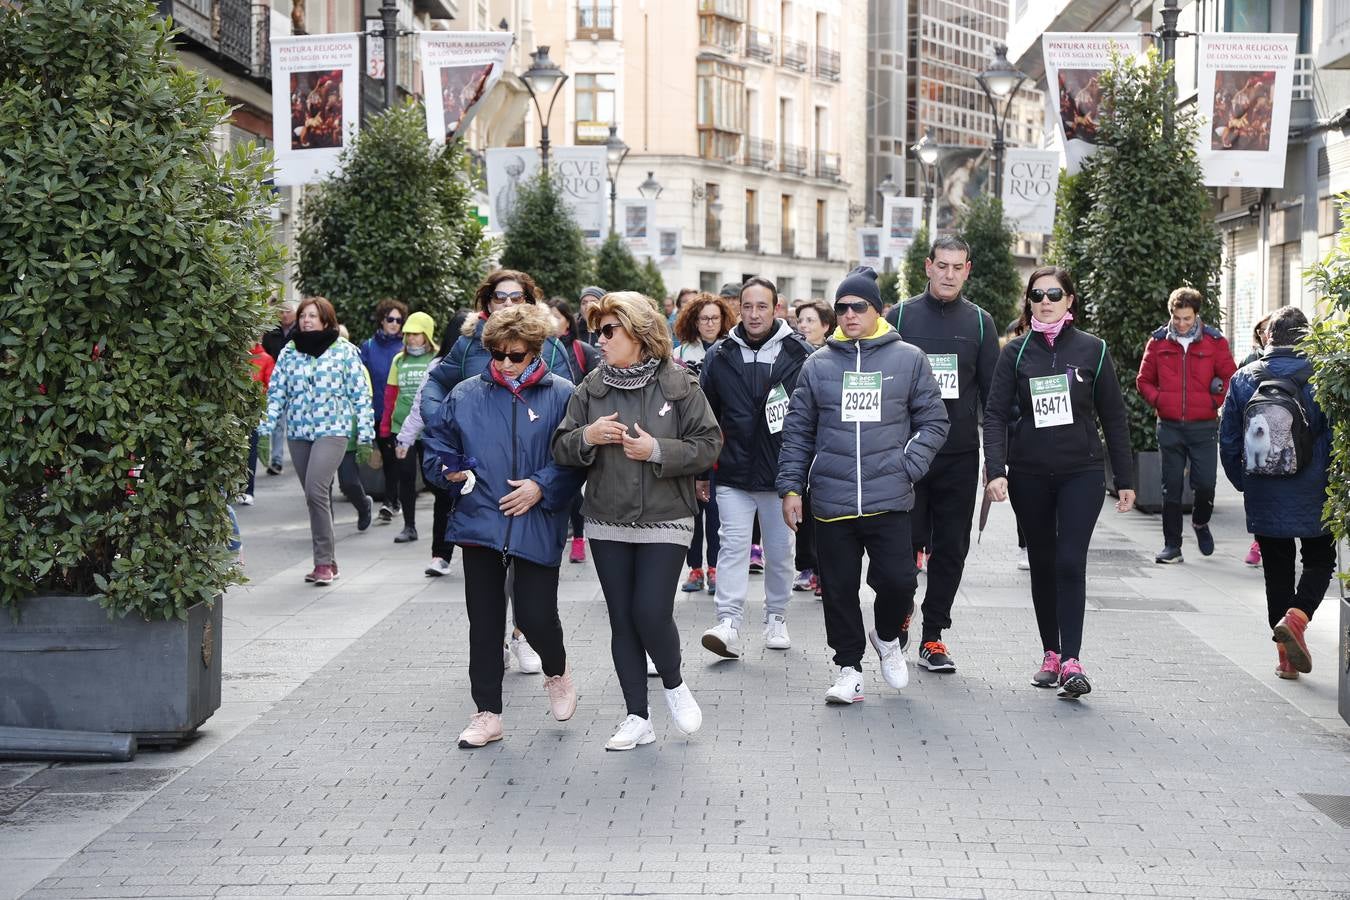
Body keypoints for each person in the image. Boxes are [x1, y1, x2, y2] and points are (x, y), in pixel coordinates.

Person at [552, 291, 722, 750]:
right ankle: (637, 717)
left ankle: (673, 683)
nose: (600, 340)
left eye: (609, 331)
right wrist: (586, 436)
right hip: (606, 518)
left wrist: (657, 451)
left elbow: (709, 444)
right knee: (623, 620)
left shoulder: (679, 383)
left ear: (639, 332)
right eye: (597, 332)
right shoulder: (591, 387)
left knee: (650, 611)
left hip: (667, 517)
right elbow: (561, 446)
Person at [776, 267, 949, 704]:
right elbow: (797, 431)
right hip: (831, 500)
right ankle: (848, 667)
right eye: (842, 308)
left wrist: (908, 466)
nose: (849, 314)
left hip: (888, 496)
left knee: (898, 582)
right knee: (837, 589)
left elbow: (934, 420)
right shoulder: (817, 364)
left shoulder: (908, 358)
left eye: (859, 306)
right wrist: (791, 488)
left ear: (879, 310)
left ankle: (887, 636)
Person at [422, 304, 584, 748]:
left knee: (535, 616)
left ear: (535, 351)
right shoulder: (466, 394)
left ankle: (557, 669)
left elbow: (574, 459)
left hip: (537, 518)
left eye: (516, 355)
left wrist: (540, 486)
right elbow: (436, 451)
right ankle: (487, 713)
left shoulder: (563, 394)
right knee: (485, 620)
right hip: (481, 519)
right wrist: (447, 473)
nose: (506, 363)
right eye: (498, 354)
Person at [982, 267, 1135, 699]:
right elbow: (993, 415)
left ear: (1070, 300)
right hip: (1029, 471)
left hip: (1081, 472)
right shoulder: (1014, 353)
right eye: (1037, 294)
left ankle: (1072, 660)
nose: (1045, 301)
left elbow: (1114, 417)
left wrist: (1124, 478)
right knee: (1043, 563)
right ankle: (1050, 652)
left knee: (1070, 561)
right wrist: (996, 469)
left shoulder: (1094, 349)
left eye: (1054, 294)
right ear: (1028, 301)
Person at [881, 236, 998, 672]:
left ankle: (933, 635)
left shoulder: (981, 324)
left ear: (967, 270)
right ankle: (902, 611)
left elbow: (994, 398)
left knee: (951, 548)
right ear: (928, 266)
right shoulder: (902, 317)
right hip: (906, 456)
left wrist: (997, 460)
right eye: (942, 266)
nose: (949, 275)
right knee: (902, 546)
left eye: (957, 267)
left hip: (959, 455)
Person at [698, 277, 813, 659]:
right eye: (747, 306)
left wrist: (801, 473)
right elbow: (707, 418)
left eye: (762, 306)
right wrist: (702, 472)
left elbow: (810, 417)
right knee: (732, 546)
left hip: (781, 476)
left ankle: (776, 616)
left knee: (780, 551)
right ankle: (728, 620)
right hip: (732, 472)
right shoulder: (719, 355)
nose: (754, 314)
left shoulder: (800, 353)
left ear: (776, 308)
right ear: (739, 309)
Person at [1219, 305, 1333, 680]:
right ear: (1306, 338)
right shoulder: (1322, 375)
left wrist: (1246, 483)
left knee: (1276, 570)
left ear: (1269, 338)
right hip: (1315, 490)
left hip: (1263, 487)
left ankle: (1286, 660)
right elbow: (1334, 438)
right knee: (1319, 560)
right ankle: (1297, 618)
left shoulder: (1242, 379)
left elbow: (1230, 440)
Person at [262, 296, 374, 586]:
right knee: (316, 497)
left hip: (332, 431)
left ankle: (323, 562)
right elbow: (276, 394)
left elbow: (360, 396)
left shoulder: (345, 351)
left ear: (326, 319)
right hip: (298, 432)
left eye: (313, 315)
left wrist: (365, 435)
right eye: (303, 316)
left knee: (315, 489)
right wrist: (265, 427)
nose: (306, 320)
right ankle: (329, 560)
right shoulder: (289, 352)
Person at [1136, 287, 1237, 564]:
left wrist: (1213, 402)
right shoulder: (1158, 342)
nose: (1181, 324)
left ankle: (1201, 523)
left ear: (1196, 316)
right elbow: (1143, 380)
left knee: (1205, 484)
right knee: (1170, 487)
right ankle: (1172, 546)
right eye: (1177, 318)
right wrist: (1160, 401)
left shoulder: (1214, 342)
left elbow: (1231, 376)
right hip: (1168, 426)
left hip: (1203, 425)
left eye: (1187, 319)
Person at [672, 292, 737, 594]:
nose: (710, 323)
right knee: (692, 510)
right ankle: (694, 569)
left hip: (724, 442)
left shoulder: (731, 350)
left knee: (716, 511)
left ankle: (715, 567)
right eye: (704, 318)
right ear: (693, 322)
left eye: (715, 318)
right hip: (689, 441)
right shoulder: (680, 354)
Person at [788, 300, 835, 595]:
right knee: (801, 505)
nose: (803, 326)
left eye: (810, 320)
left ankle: (822, 571)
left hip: (828, 443)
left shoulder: (834, 356)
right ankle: (806, 565)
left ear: (826, 325)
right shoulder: (792, 355)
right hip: (802, 439)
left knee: (823, 510)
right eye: (800, 320)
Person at [380, 312, 439, 544]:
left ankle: (444, 523)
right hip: (401, 428)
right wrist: (386, 428)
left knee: (432, 478)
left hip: (430, 430)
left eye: (416, 334)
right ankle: (409, 526)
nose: (411, 339)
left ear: (427, 335)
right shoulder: (399, 360)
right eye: (408, 334)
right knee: (406, 477)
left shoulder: (436, 358)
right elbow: (390, 395)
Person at [548, 297, 599, 563]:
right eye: (549, 315)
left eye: (557, 316)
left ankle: (579, 539)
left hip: (578, 425)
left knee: (575, 488)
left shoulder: (582, 350)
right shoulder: (541, 347)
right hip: (550, 424)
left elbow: (594, 388)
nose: (552, 321)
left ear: (568, 320)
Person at [359, 299, 408, 524]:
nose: (395, 324)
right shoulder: (368, 346)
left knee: (393, 457)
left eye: (399, 320)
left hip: (400, 414)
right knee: (385, 457)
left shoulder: (406, 347)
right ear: (382, 320)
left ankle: (391, 502)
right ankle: (392, 500)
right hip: (376, 411)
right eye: (391, 319)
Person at [1239, 313, 1272, 568]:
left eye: (1268, 329)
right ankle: (1259, 542)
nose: (1264, 334)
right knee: (1262, 496)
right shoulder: (1250, 361)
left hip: (1283, 439)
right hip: (1254, 436)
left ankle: (1264, 542)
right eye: (1260, 330)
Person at [261, 298, 299, 475]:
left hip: (296, 382)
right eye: (281, 312)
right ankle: (276, 460)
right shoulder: (271, 333)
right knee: (277, 422)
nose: (284, 315)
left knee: (295, 422)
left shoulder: (301, 333)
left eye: (288, 311)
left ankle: (299, 456)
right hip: (276, 383)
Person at [240, 341, 275, 506]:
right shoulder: (238, 357)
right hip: (236, 409)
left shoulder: (265, 359)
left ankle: (248, 490)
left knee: (251, 451)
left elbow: (270, 388)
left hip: (253, 412)